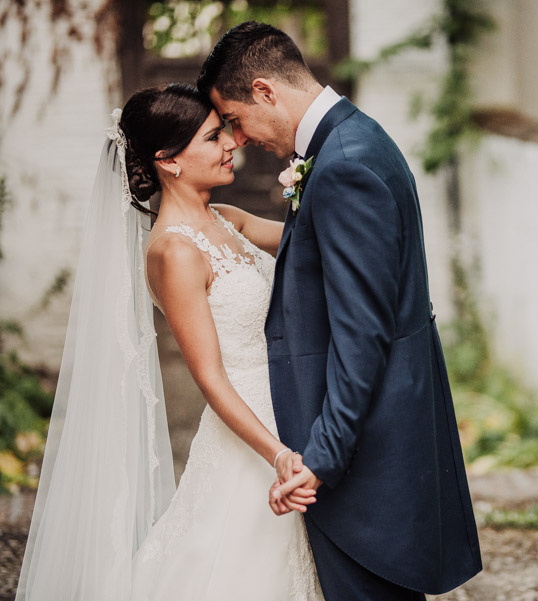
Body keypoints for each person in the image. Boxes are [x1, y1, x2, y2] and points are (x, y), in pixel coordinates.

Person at [197, 21, 482, 600]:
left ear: (266, 91)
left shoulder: (343, 165)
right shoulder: (352, 141)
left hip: (368, 449)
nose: (239, 137)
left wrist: (322, 459)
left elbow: (361, 333)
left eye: (234, 118)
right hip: (384, 431)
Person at [16, 83, 322, 600]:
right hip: (250, 436)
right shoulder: (173, 253)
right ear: (169, 162)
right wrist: (278, 455)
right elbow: (209, 376)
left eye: (224, 130)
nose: (230, 144)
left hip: (290, 408)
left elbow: (312, 236)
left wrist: (321, 178)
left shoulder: (229, 219)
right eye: (212, 136)